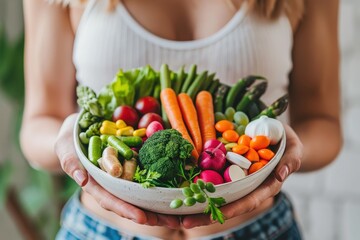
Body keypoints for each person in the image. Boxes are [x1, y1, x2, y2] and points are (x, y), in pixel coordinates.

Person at [20, 0, 342, 239]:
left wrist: (286, 153)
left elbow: (323, 122)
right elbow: (39, 120)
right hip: (100, 231)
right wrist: (67, 141)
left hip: (256, 230)